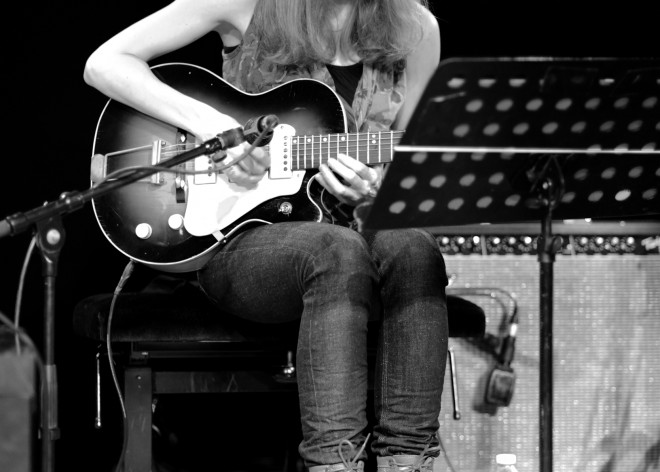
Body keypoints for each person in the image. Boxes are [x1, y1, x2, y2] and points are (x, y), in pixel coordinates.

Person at [83, 1, 448, 472]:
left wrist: (377, 191)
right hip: (240, 239)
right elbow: (104, 63)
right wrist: (212, 125)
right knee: (337, 251)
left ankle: (409, 460)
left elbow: (414, 168)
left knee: (415, 247)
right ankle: (335, 464)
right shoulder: (244, 3)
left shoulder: (415, 27)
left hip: (354, 227)